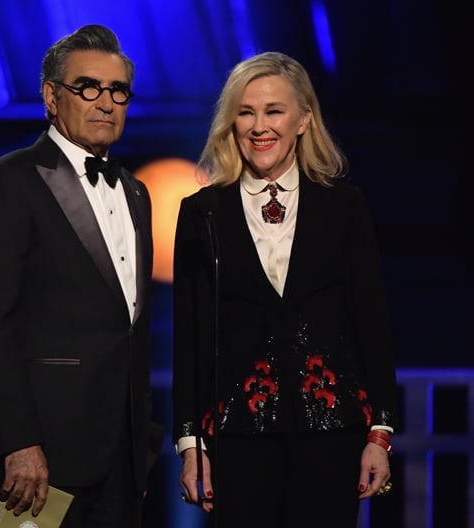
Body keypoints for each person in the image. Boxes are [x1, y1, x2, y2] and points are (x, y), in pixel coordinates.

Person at [171, 51, 399, 527]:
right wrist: (191, 445)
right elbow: (190, 337)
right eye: (246, 112)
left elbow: (371, 323)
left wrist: (380, 432)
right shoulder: (202, 212)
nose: (259, 126)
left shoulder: (344, 208)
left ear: (303, 120)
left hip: (331, 429)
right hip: (238, 436)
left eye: (273, 111)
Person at [0, 24, 162, 528]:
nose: (106, 102)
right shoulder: (10, 181)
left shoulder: (136, 192)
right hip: (40, 460)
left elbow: (128, 326)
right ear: (52, 97)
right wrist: (18, 441)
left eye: (118, 91)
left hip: (123, 457)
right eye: (88, 87)